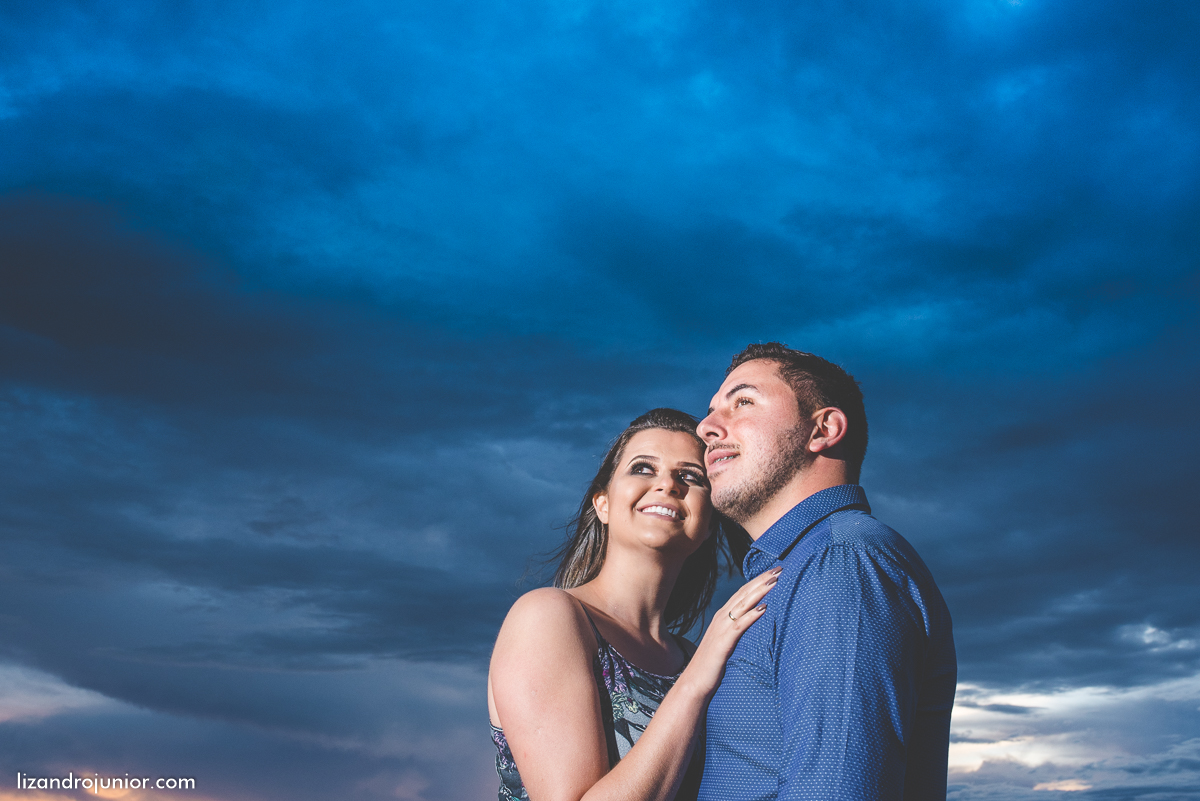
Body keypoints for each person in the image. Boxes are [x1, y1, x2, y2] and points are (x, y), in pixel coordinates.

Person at [696, 343, 957, 801]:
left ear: (824, 429)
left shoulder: (842, 564)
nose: (706, 427)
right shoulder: (801, 567)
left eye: (743, 402)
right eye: (712, 410)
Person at [488, 408, 780, 801]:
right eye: (643, 468)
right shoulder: (549, 617)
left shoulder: (696, 655)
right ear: (603, 505)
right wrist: (695, 682)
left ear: (709, 522)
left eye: (691, 476)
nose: (667, 485)